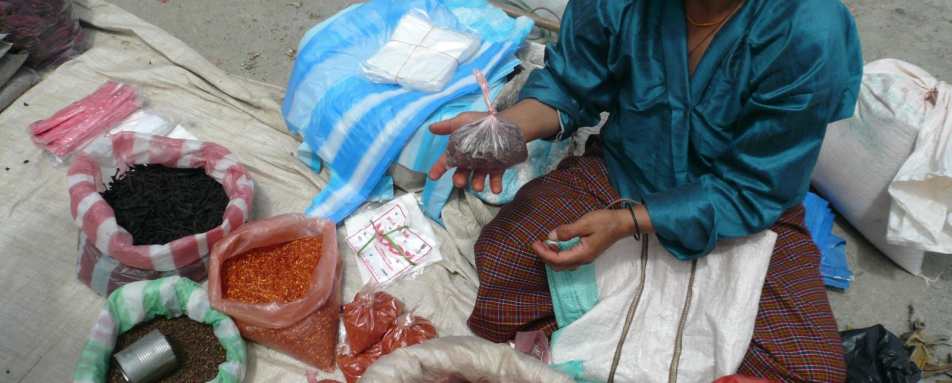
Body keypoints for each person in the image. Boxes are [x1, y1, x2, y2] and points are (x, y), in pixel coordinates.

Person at [429, 0, 862, 381]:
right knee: (506, 260)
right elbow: (570, 85)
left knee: (810, 369)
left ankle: (605, 322)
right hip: (624, 172)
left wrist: (629, 223)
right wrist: (506, 130)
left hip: (741, 206)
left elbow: (758, 185)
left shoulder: (808, 25)